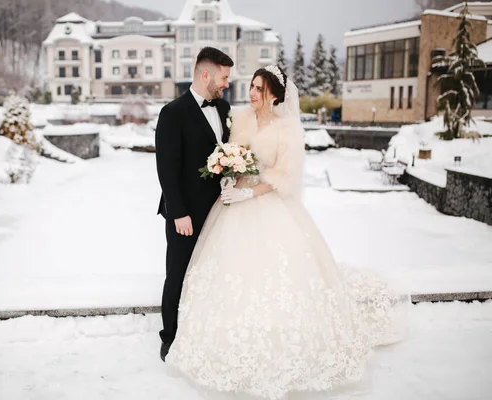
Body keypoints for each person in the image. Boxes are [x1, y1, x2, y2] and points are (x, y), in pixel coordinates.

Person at [165, 65, 409, 399]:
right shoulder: (239, 118)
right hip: (232, 207)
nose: (252, 93)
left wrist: (249, 192)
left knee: (278, 276)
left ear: (275, 95)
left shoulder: (287, 130)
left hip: (266, 204)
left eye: (259, 89)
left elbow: (285, 178)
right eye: (251, 86)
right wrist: (228, 179)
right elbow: (231, 157)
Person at [155, 47, 234, 362]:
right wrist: (179, 213)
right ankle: (170, 338)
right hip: (184, 215)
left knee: (211, 273)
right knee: (178, 274)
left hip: (219, 212)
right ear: (206, 74)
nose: (226, 83)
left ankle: (202, 331)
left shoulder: (225, 107)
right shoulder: (172, 112)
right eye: (224, 77)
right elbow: (166, 169)